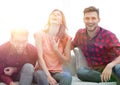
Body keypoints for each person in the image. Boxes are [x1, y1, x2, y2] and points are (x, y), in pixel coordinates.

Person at [72, 6, 120, 84]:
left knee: (119, 68)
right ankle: (111, 78)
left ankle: (113, 77)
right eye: (87, 18)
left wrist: (110, 65)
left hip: (112, 68)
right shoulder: (80, 34)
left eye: (93, 18)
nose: (90, 21)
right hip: (96, 72)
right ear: (84, 20)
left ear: (98, 20)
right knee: (81, 72)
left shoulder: (109, 35)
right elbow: (70, 46)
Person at [34, 9, 72, 85]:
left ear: (61, 21)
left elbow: (67, 61)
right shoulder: (39, 34)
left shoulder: (66, 38)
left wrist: (56, 50)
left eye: (58, 14)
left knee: (67, 76)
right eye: (53, 14)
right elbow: (39, 57)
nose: (55, 15)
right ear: (49, 19)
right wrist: (48, 76)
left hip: (57, 72)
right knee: (41, 75)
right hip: (42, 71)